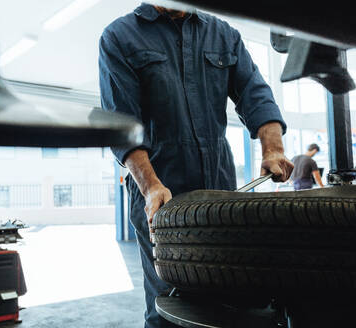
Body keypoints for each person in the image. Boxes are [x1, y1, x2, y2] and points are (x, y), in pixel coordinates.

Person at [99, 3, 294, 327]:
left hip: (218, 191)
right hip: (159, 193)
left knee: (226, 296)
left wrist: (272, 148)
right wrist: (149, 186)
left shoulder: (223, 35)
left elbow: (255, 93)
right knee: (171, 300)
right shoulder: (119, 36)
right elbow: (122, 123)